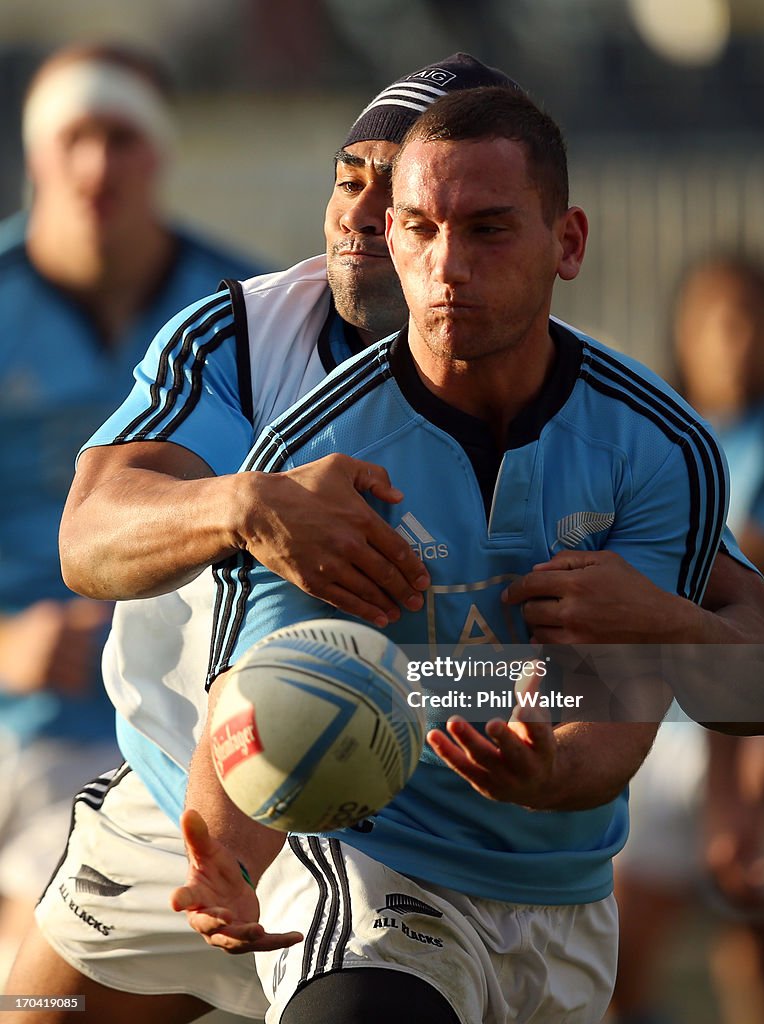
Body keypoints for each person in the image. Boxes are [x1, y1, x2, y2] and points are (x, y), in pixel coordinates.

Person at [172, 86, 744, 1024]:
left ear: (568, 244)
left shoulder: (656, 444)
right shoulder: (314, 451)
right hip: (374, 864)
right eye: (420, 229)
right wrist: (231, 866)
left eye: (487, 231)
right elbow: (261, 690)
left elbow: (619, 723)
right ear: (390, 238)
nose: (447, 268)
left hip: (563, 896)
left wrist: (551, 769)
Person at [5, 55, 531, 1024]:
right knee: (36, 1005)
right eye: (350, 177)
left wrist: (572, 690)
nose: (361, 212)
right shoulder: (242, 332)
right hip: (178, 791)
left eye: (401, 190)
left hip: (399, 820)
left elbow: (728, 641)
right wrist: (245, 506)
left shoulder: (567, 403)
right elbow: (93, 535)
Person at [0, 40, 264, 987]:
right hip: (11, 712)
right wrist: (6, 645)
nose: (96, 164)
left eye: (123, 136)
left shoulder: (249, 318)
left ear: (162, 154)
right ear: (34, 153)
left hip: (157, 729)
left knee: (34, 985)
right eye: (73, 135)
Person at [610, 255, 764, 1024]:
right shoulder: (671, 433)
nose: (735, 341)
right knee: (618, 959)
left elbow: (748, 570)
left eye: (755, 320)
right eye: (716, 321)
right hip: (671, 728)